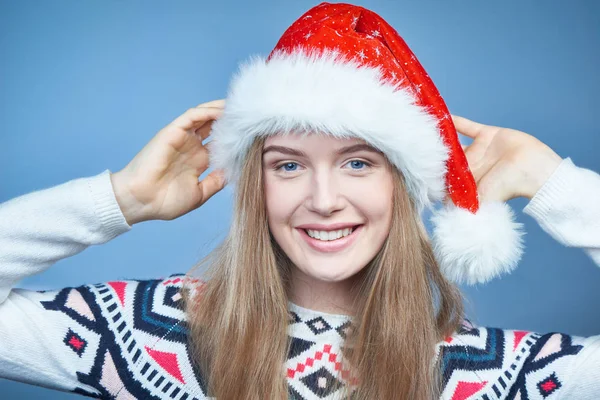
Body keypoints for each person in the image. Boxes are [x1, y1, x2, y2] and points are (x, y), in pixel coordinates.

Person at [1, 2, 599, 399]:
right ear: (255, 186)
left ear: (405, 184)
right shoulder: (151, 334)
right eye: (288, 165)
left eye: (358, 163)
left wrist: (553, 184)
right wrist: (121, 199)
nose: (323, 199)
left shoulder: (483, 371)